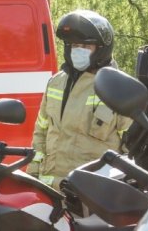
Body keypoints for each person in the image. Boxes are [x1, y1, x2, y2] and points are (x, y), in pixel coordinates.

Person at [26, 10, 131, 191]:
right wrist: (32, 175)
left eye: (85, 46)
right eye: (74, 45)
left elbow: (133, 148)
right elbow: (41, 133)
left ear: (102, 49)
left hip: (92, 195)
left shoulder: (119, 87)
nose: (78, 51)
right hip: (51, 190)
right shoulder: (55, 83)